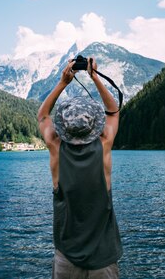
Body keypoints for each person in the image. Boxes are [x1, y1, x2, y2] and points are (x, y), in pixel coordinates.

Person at [37, 57, 123, 279]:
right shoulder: (104, 145)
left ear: (64, 126)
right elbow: (113, 112)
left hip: (67, 259)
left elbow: (42, 116)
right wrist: (94, 77)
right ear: (93, 124)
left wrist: (63, 82)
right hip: (103, 260)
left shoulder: (56, 149)